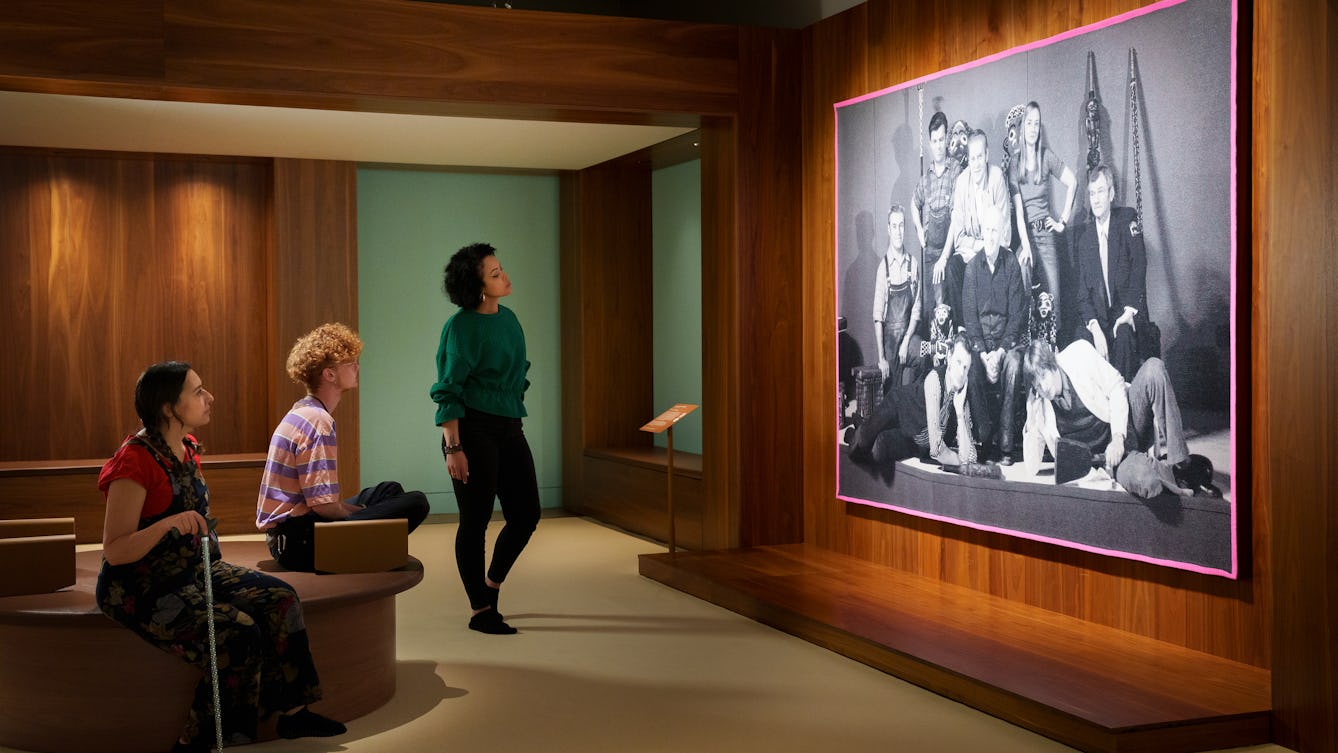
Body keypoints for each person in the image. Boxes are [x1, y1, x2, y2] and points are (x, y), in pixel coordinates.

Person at [97, 362, 345, 753]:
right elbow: (115, 548)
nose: (208, 397)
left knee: (281, 599)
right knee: (237, 634)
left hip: (195, 570)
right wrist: (169, 524)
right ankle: (194, 742)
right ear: (168, 408)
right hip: (140, 583)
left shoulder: (187, 448)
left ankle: (293, 713)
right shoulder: (135, 460)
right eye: (197, 392)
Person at [430, 242, 541, 636]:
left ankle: (490, 587)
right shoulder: (459, 327)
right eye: (495, 274)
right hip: (472, 429)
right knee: (475, 522)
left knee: (526, 515)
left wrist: (510, 409)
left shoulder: (509, 318)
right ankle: (480, 611)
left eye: (501, 269)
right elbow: (448, 388)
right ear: (477, 287)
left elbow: (517, 372)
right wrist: (454, 447)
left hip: (510, 425)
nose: (505, 277)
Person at [257, 323, 430, 572]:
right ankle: (363, 550)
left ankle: (368, 540)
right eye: (350, 363)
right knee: (416, 502)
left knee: (388, 491)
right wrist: (361, 512)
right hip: (299, 544)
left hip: (289, 536)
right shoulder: (319, 421)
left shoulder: (302, 411)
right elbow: (324, 507)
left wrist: (362, 511)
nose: (357, 368)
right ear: (329, 374)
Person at [1021, 339, 1194, 490]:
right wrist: (1031, 419)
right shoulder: (1040, 408)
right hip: (1110, 460)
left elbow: (1116, 385)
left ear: (1053, 365)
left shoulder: (1079, 353)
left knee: (1153, 368)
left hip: (1127, 422)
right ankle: (1161, 471)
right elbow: (1032, 467)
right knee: (1145, 481)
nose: (1042, 388)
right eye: (1036, 386)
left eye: (1043, 377)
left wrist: (1118, 437)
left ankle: (1182, 465)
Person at [961, 205, 1028, 464]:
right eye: (986, 230)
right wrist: (984, 354)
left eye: (994, 231)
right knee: (971, 369)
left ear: (1002, 234)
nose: (990, 236)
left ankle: (1006, 444)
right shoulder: (971, 268)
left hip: (1005, 343)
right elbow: (970, 316)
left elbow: (1017, 317)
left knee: (1013, 366)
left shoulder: (1011, 264)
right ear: (982, 232)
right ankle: (984, 438)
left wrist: (999, 352)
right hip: (981, 345)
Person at [846, 335, 977, 468]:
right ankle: (858, 430)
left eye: (966, 367)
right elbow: (937, 451)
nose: (961, 372)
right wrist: (961, 461)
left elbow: (971, 456)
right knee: (862, 442)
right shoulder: (935, 380)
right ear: (949, 357)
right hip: (898, 408)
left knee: (879, 450)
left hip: (914, 438)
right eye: (958, 362)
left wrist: (960, 411)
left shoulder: (962, 394)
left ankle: (860, 424)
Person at [1073, 164, 1148, 382]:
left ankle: (1122, 407)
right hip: (1100, 320)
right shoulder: (1085, 239)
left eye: (1101, 192)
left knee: (1124, 335)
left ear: (1112, 194)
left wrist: (1130, 311)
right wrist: (1094, 328)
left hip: (1123, 315)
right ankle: (1095, 410)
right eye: (1092, 193)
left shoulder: (1126, 221)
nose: (1095, 200)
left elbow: (1140, 264)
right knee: (1081, 339)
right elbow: (1082, 295)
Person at [1009, 102, 1078, 335]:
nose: (1032, 128)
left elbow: (1073, 182)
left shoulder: (1046, 157)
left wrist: (1062, 221)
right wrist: (1026, 246)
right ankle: (1024, 344)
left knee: (1054, 299)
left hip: (1046, 236)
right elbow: (1019, 211)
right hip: (1026, 236)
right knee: (1022, 285)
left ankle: (1053, 349)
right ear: (1022, 128)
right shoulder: (1014, 164)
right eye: (1029, 123)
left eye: (1036, 124)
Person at [935, 129, 1012, 329]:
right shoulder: (961, 183)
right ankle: (964, 331)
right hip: (970, 252)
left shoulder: (997, 179)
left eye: (980, 157)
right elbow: (959, 237)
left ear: (986, 155)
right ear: (967, 159)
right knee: (953, 267)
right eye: (972, 158)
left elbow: (1005, 236)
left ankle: (992, 330)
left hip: (994, 253)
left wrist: (981, 248)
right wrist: (978, 247)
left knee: (993, 270)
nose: (976, 164)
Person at [911, 111, 962, 317]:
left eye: (942, 139)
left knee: (948, 310)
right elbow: (914, 204)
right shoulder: (926, 179)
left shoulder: (956, 170)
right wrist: (919, 232)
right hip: (930, 255)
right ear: (929, 143)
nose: (939, 145)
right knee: (933, 313)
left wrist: (945, 256)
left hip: (949, 253)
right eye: (935, 141)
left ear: (946, 139)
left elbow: (957, 216)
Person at [872, 203, 922, 386]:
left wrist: (907, 339)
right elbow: (878, 317)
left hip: (909, 337)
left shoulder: (913, 264)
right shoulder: (883, 268)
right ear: (888, 229)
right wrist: (882, 359)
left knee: (922, 354)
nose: (898, 231)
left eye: (901, 225)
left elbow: (916, 310)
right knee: (892, 394)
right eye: (894, 226)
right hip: (890, 343)